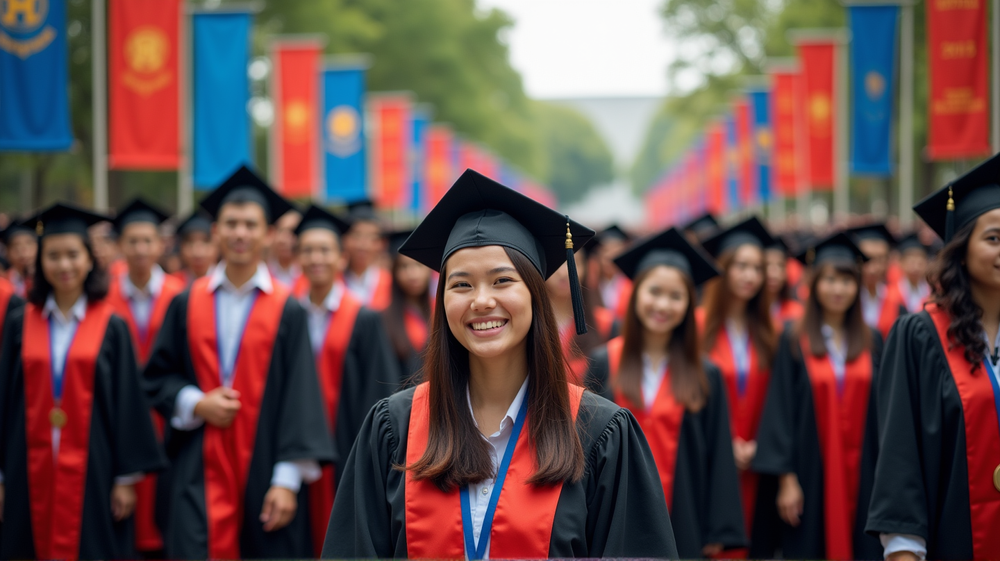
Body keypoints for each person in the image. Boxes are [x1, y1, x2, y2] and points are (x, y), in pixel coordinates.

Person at [322, 170, 678, 559]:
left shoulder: (598, 433)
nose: (481, 301)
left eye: (502, 280)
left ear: (534, 295)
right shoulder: (395, 429)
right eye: (461, 285)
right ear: (441, 303)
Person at [143, 166, 333, 559]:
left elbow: (301, 398)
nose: (240, 233)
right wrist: (196, 402)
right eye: (231, 223)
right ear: (216, 232)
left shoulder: (287, 309)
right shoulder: (186, 302)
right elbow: (158, 377)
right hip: (197, 466)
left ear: (267, 234)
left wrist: (287, 481)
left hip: (264, 468)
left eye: (250, 224)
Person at [0, 204, 165, 559]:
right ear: (40, 262)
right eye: (53, 256)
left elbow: (128, 404)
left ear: (90, 259)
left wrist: (125, 479)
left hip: (95, 465)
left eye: (73, 254)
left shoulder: (111, 324)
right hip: (26, 464)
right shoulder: (19, 322)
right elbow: (3, 400)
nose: (64, 265)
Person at [867, 154, 1000, 559]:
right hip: (955, 540)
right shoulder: (919, 337)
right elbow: (900, 463)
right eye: (994, 238)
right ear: (960, 248)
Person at [585, 227, 747, 557]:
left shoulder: (706, 373)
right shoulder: (604, 362)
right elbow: (585, 449)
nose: (663, 304)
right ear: (636, 293)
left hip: (684, 517)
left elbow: (719, 455)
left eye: (676, 296)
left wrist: (717, 527)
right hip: (614, 517)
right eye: (654, 291)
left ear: (689, 304)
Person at [753, 233, 884, 559]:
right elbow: (780, 410)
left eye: (846, 280)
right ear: (813, 283)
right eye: (829, 279)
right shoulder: (793, 338)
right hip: (811, 471)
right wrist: (787, 480)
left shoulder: (874, 340)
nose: (838, 289)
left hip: (865, 473)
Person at [294, 204, 400, 555]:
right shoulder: (288, 314)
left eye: (324, 250)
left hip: (346, 437)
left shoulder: (363, 318)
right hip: (299, 441)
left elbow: (379, 387)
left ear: (341, 257)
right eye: (307, 250)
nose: (315, 258)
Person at [106, 198, 186, 556]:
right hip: (116, 416)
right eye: (132, 241)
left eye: (147, 240)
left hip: (165, 417)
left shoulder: (180, 295)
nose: (140, 249)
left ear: (161, 244)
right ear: (120, 245)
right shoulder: (102, 295)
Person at [697, 216, 779, 551]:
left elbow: (780, 399)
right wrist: (723, 443)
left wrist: (764, 445)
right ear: (723, 268)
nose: (750, 276)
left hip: (759, 463)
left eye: (757, 268)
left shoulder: (769, 332)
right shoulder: (697, 327)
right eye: (741, 266)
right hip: (711, 460)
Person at [547, 247, 618, 383]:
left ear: (586, 269)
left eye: (573, 263)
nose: (563, 272)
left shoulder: (605, 324)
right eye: (556, 263)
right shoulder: (529, 321)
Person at [382, 229, 435, 381]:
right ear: (394, 272)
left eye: (419, 265)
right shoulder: (385, 318)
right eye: (404, 267)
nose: (412, 274)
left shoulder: (441, 308)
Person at [848, 224, 906, 338]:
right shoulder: (843, 300)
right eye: (866, 259)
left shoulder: (897, 303)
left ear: (889, 260)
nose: (872, 269)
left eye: (880, 260)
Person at [342, 200, 392, 310]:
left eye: (371, 237)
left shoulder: (390, 283)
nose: (363, 245)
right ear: (344, 239)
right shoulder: (332, 282)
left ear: (381, 244)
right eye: (356, 236)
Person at [592, 225, 632, 320]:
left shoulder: (631, 285)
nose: (609, 257)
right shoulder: (589, 283)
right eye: (605, 251)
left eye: (616, 251)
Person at [172, 211, 218, 287]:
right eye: (190, 242)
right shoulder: (172, 284)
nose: (198, 252)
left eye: (205, 241)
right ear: (181, 247)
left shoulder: (228, 281)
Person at [765, 238, 804, 325]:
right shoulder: (747, 313)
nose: (774, 273)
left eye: (780, 266)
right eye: (767, 265)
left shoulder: (796, 312)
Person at [895, 233, 932, 314]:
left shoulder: (931, 292)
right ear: (901, 263)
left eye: (920, 263)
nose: (915, 267)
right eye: (911, 262)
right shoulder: (890, 293)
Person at [1, 220, 36, 297]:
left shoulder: (47, 280)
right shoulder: (3, 281)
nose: (23, 252)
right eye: (16, 246)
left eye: (28, 244)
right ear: (7, 252)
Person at [268, 209, 302, 289]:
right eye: (279, 231)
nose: (282, 239)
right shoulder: (262, 272)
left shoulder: (309, 277)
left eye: (291, 232)